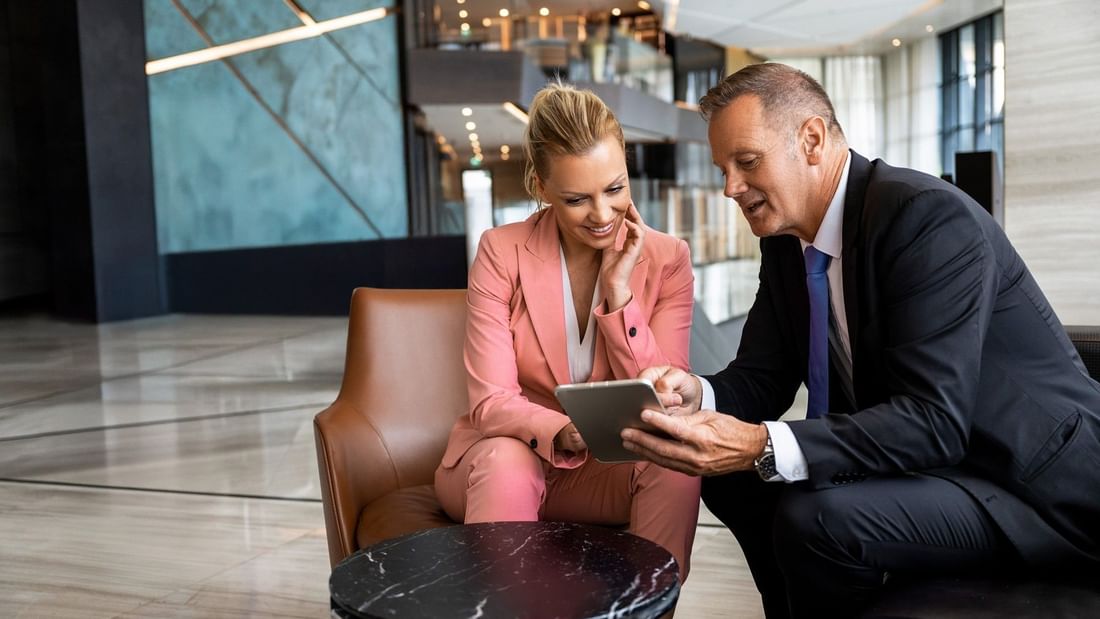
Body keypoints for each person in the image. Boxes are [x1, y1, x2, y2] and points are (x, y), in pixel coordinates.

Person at [619, 62, 1100, 617]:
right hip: (930, 467)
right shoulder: (785, 243)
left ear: (813, 140)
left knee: (813, 515)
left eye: (746, 163)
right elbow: (762, 377)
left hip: (1023, 485)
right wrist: (696, 395)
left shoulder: (924, 218)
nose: (730, 188)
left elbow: (933, 420)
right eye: (723, 169)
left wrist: (759, 444)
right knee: (729, 479)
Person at [434, 83, 701, 582]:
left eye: (616, 189)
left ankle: (648, 613)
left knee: (675, 460)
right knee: (509, 460)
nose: (602, 215)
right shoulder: (500, 251)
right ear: (541, 186)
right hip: (501, 461)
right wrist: (560, 429)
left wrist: (620, 294)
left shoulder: (668, 260)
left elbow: (664, 398)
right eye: (577, 199)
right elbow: (490, 402)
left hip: (601, 473)